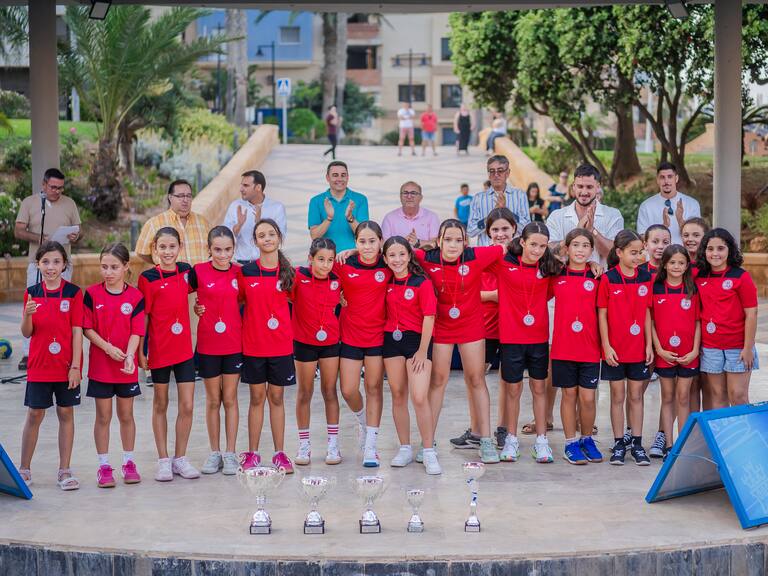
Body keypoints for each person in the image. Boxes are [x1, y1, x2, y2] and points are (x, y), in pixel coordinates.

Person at [414, 220, 505, 464]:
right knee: (438, 381)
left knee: (476, 379)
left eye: (458, 240)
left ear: (466, 242)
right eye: (447, 240)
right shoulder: (426, 258)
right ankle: (427, 442)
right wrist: (353, 251)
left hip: (471, 325)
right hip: (441, 326)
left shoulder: (476, 256)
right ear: (438, 241)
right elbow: (395, 250)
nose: (453, 245)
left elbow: (505, 248)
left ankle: (486, 440)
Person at [450, 208, 518, 452]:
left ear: (514, 229)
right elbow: (464, 291)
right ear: (488, 232)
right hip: (484, 327)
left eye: (505, 229)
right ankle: (477, 430)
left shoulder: (521, 256)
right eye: (495, 230)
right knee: (474, 378)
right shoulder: (480, 255)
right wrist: (493, 296)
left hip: (512, 328)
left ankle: (504, 429)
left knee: (509, 381)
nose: (500, 234)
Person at [18, 241, 83, 490]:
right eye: (45, 262)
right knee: (35, 414)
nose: (51, 267)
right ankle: (24, 469)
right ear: (38, 264)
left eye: (56, 261)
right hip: (39, 366)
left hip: (65, 367)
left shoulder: (74, 293)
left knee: (65, 413)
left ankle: (64, 470)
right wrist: (28, 314)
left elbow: (76, 332)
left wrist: (75, 366)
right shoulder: (31, 293)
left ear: (64, 264)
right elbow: (27, 332)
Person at [494, 222, 561, 464]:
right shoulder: (504, 263)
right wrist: (498, 247)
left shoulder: (549, 268)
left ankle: (542, 440)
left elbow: (560, 284)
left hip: (538, 338)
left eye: (542, 246)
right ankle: (511, 439)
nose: (537, 250)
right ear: (522, 242)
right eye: (533, 244)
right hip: (511, 338)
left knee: (539, 388)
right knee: (513, 390)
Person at [137, 227, 199, 482]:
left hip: (184, 349)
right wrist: (141, 350)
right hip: (160, 350)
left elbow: (202, 293)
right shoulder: (148, 278)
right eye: (162, 247)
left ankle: (180, 458)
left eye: (172, 246)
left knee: (187, 404)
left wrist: (200, 307)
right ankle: (163, 460)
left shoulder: (186, 272)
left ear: (179, 247)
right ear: (155, 249)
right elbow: (144, 317)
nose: (167, 252)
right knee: (160, 403)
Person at [237, 219, 296, 474]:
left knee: (277, 398)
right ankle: (253, 453)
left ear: (279, 237)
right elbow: (236, 302)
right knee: (257, 398)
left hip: (281, 346)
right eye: (262, 235)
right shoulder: (246, 272)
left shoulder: (289, 274)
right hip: (254, 346)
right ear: (255, 241)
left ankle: (280, 454)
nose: (267, 239)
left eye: (271, 234)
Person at [83, 243, 144, 488]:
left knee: (126, 415)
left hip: (125, 367)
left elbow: (136, 332)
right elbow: (87, 328)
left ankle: (129, 463)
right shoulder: (91, 294)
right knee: (103, 416)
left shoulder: (136, 297)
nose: (108, 272)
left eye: (114, 267)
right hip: (101, 367)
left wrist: (129, 356)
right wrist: (107, 348)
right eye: (104, 267)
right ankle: (104, 466)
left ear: (126, 267)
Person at [335, 222, 392, 467]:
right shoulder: (344, 263)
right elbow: (322, 276)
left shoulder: (388, 263)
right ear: (355, 242)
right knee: (348, 389)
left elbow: (411, 255)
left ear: (381, 241)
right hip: (350, 335)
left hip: (378, 337)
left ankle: (371, 446)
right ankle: (362, 421)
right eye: (362, 242)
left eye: (372, 241)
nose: (367, 246)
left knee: (373, 388)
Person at [14, 168, 81, 371]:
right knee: (32, 306)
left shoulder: (69, 203)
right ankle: (28, 352)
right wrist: (39, 239)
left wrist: (76, 236)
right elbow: (18, 231)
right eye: (53, 187)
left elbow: (79, 230)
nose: (57, 191)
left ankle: (61, 347)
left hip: (62, 264)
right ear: (43, 185)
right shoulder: (30, 202)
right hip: (38, 265)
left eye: (60, 188)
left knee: (62, 308)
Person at [382, 236, 438, 473]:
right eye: (392, 255)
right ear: (385, 259)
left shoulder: (421, 282)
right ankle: (404, 447)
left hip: (417, 342)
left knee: (419, 396)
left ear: (410, 256)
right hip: (391, 341)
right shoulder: (384, 280)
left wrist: (423, 351)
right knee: (398, 394)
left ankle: (428, 450)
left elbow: (429, 316)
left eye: (402, 254)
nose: (397, 259)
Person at [598, 230, 653, 467]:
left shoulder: (646, 277)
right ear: (619, 252)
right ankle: (619, 443)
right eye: (633, 252)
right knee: (617, 396)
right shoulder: (608, 278)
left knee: (636, 396)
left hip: (638, 348)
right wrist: (606, 346)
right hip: (615, 350)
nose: (638, 257)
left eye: (640, 252)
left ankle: (637, 444)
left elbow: (647, 312)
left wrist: (649, 344)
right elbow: (602, 314)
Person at [190, 227, 242, 476]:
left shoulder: (240, 272)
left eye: (228, 249)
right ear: (209, 249)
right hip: (209, 344)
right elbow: (176, 294)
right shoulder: (198, 271)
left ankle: (230, 453)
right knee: (213, 400)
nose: (223, 255)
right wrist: (195, 309)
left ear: (234, 249)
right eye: (218, 249)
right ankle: (215, 452)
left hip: (234, 344)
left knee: (230, 398)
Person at [551, 229, 603, 465]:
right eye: (575, 245)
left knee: (588, 398)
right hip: (563, 347)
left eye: (585, 246)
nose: (580, 250)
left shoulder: (597, 276)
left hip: (590, 348)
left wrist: (593, 264)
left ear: (592, 250)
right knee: (568, 395)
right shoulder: (556, 273)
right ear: (567, 248)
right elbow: (547, 255)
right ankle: (570, 443)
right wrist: (560, 248)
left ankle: (587, 439)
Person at [292, 238, 343, 466]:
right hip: (303, 342)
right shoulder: (298, 276)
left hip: (330, 342)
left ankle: (333, 444)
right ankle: (304, 445)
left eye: (330, 260)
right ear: (310, 259)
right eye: (321, 259)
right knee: (305, 392)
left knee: (330, 391)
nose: (326, 265)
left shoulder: (338, 280)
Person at [697, 228, 758, 410]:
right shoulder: (700, 276)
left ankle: (744, 430)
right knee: (718, 395)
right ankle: (724, 431)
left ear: (729, 250)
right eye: (710, 249)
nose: (715, 253)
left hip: (737, 347)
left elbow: (752, 313)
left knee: (738, 396)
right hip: (711, 347)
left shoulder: (740, 276)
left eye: (720, 248)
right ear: (704, 251)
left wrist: (748, 348)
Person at [651, 245, 700, 458]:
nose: (677, 266)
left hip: (688, 354)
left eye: (681, 263)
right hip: (665, 354)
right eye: (672, 262)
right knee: (668, 397)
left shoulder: (692, 289)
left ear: (687, 265)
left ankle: (682, 444)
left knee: (683, 397)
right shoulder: (656, 288)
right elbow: (651, 321)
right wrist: (659, 349)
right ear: (664, 264)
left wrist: (695, 350)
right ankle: (670, 446)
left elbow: (698, 322)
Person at [547, 163, 624, 266]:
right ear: (573, 186)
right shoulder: (556, 216)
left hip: (602, 275)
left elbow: (615, 256)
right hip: (565, 276)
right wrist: (576, 233)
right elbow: (550, 253)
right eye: (580, 186)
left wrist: (592, 231)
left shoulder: (613, 215)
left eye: (589, 187)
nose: (584, 192)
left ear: (597, 187)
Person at [135, 179, 211, 266]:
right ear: (170, 197)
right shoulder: (153, 224)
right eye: (180, 196)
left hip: (200, 275)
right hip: (169, 274)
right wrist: (160, 263)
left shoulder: (203, 222)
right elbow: (142, 252)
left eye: (188, 196)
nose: (185, 200)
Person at [223, 170, 287, 264]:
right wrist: (239, 225)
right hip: (242, 264)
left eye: (246, 186)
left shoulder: (277, 208)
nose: (241, 189)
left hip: (267, 263)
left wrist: (259, 223)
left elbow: (280, 239)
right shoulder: (235, 206)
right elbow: (225, 238)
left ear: (258, 187)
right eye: (241, 185)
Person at [467, 155, 530, 246]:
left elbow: (527, 230)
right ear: (488, 174)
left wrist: (506, 211)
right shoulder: (478, 198)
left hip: (513, 251)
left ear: (507, 173)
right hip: (487, 251)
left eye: (500, 171)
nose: (496, 175)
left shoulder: (520, 195)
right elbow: (470, 231)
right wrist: (490, 217)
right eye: (492, 171)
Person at [308, 161, 369, 252]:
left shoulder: (361, 199)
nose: (340, 179)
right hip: (326, 257)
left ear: (348, 177)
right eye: (335, 175)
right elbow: (314, 236)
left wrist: (350, 218)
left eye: (343, 175)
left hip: (353, 255)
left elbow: (365, 235)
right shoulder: (316, 201)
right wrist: (329, 218)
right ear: (327, 178)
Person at [636, 162, 701, 245]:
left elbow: (697, 236)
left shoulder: (692, 204)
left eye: (670, 177)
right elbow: (642, 237)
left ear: (676, 178)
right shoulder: (646, 206)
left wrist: (680, 220)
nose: (666, 181)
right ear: (657, 180)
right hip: (658, 251)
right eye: (662, 177)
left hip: (683, 251)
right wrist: (663, 227)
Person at [381, 181, 440, 247]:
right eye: (405, 193)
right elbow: (384, 245)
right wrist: (403, 242)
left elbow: (436, 244)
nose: (409, 196)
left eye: (413, 193)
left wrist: (418, 242)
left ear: (421, 198)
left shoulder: (432, 217)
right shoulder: (389, 218)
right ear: (400, 197)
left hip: (425, 254)